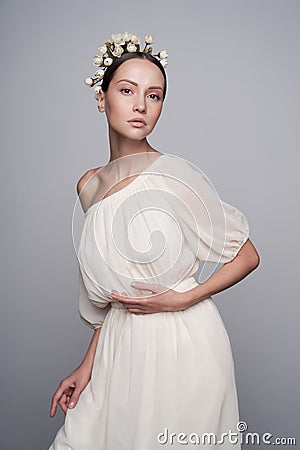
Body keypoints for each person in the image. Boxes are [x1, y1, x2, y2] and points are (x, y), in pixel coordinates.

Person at [48, 32, 260, 450]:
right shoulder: (88, 186)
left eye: (155, 95)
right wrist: (86, 367)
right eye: (127, 90)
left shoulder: (174, 177)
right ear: (101, 98)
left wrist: (185, 297)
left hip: (183, 346)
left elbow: (248, 254)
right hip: (119, 348)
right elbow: (114, 299)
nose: (141, 105)